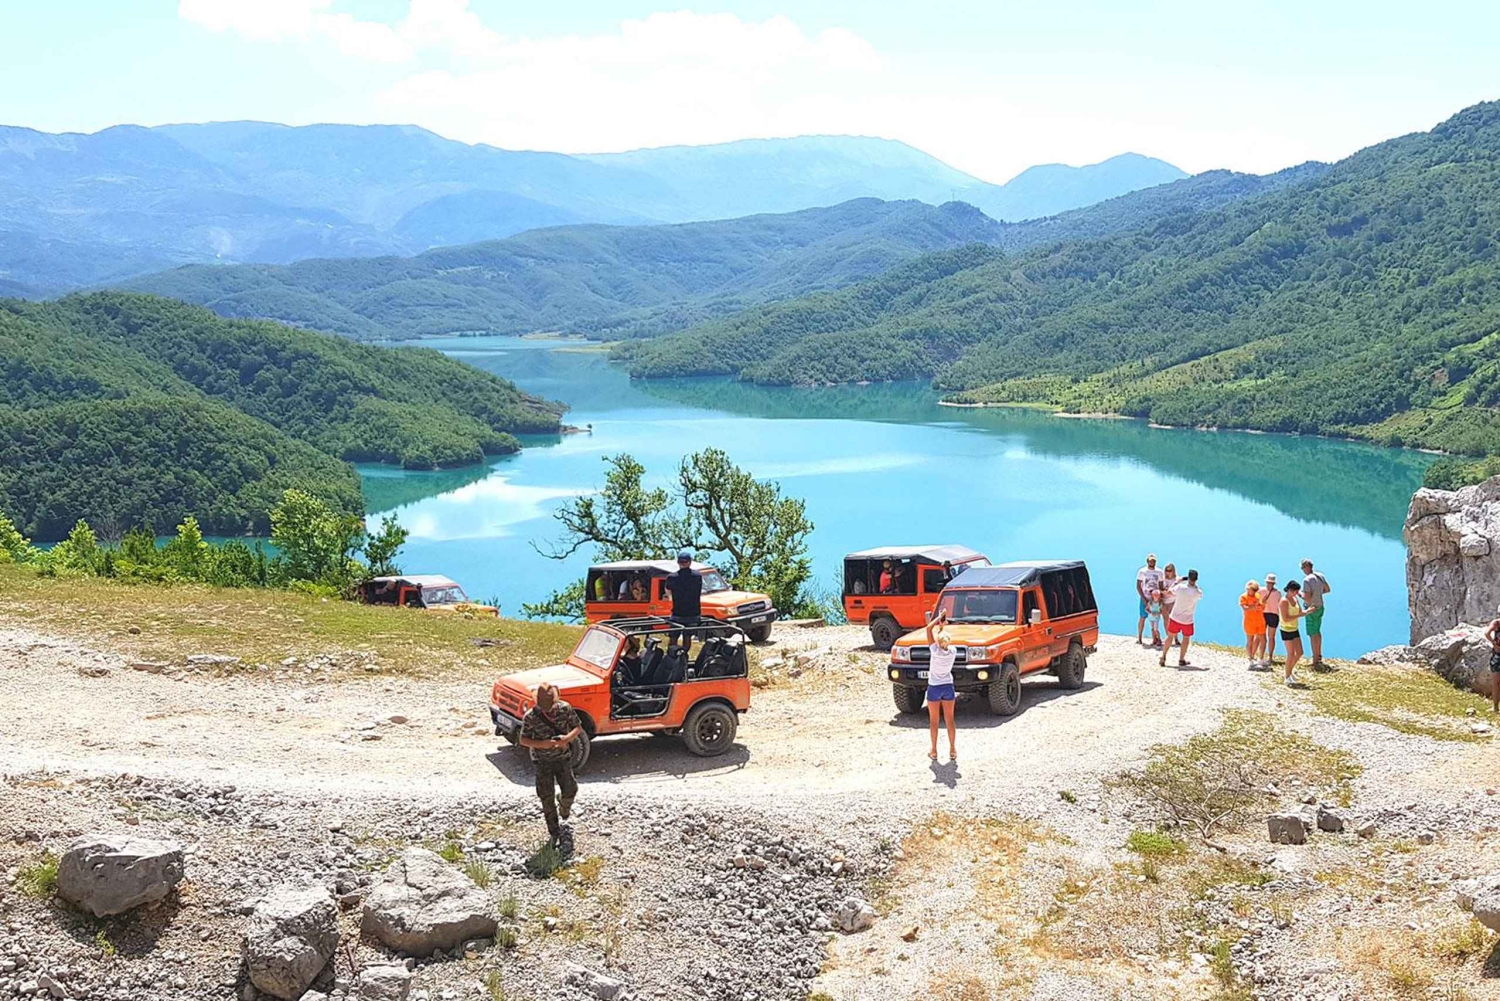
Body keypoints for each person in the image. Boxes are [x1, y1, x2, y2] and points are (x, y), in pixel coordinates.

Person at [519, 683, 583, 844]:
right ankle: (554, 832)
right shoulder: (530, 717)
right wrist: (543, 744)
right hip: (542, 761)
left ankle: (564, 805)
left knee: (571, 789)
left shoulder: (565, 709)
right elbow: (523, 739)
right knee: (546, 797)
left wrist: (566, 739)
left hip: (563, 757)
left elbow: (577, 727)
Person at [924, 608, 958, 762]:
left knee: (934, 721)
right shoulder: (952, 651)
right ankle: (952, 749)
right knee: (950, 720)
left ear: (938, 642)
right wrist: (942, 626)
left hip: (934, 687)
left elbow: (928, 628)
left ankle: (934, 750)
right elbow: (943, 641)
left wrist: (938, 618)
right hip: (948, 686)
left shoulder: (934, 651)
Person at [1159, 569, 1203, 668]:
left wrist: (1177, 581)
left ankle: (1163, 657)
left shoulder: (1180, 587)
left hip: (1175, 617)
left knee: (1170, 637)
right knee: (1186, 639)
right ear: (1196, 579)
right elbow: (1198, 595)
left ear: (1188, 577)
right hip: (1187, 620)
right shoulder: (1198, 592)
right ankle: (1181, 659)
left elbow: (1169, 592)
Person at [1300, 559, 1332, 670]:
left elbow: (1307, 597)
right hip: (1320, 607)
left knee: (1312, 633)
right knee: (1317, 632)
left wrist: (1300, 594)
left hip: (1311, 609)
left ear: (1305, 567)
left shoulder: (1307, 580)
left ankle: (1315, 660)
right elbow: (1327, 589)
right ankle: (1318, 656)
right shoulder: (1320, 576)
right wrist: (1317, 594)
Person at [1278, 580, 1311, 685]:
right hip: (1286, 629)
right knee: (1291, 654)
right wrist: (1300, 615)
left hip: (1294, 629)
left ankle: (1289, 671)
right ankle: (1287, 677)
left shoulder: (1295, 599)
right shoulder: (1283, 601)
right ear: (1290, 590)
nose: (1297, 593)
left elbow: (1300, 612)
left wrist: (1308, 611)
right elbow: (1286, 618)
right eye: (1295, 591)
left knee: (1300, 652)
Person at [664, 551, 702, 625]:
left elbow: (667, 589)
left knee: (673, 635)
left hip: (677, 613)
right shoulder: (697, 576)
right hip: (694, 613)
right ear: (690, 562)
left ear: (678, 562)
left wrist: (670, 597)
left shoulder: (672, 577)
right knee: (689, 635)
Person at [1135, 554, 1163, 646]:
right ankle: (1139, 638)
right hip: (1145, 597)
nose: (1152, 562)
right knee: (1143, 617)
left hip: (1155, 599)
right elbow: (1138, 586)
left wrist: (1160, 599)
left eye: (1154, 561)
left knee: (1155, 619)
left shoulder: (1159, 572)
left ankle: (1156, 639)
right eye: (1150, 561)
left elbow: (1161, 586)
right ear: (1147, 561)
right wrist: (1144, 599)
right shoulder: (1142, 571)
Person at [1239, 580, 1265, 668]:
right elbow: (1245, 608)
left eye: (1255, 590)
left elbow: (1262, 606)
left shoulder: (1258, 596)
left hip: (1260, 620)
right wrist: (1253, 606)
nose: (1254, 592)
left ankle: (1261, 659)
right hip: (1249, 622)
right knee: (1250, 640)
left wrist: (1259, 606)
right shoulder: (1243, 597)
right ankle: (1250, 659)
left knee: (1263, 640)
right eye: (1252, 590)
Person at [1260, 574, 1282, 667]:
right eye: (1269, 582)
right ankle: (1261, 656)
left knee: (1271, 637)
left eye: (1271, 583)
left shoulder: (1278, 593)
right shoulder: (1261, 591)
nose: (1269, 584)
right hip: (1264, 613)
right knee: (1261, 636)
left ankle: (1270, 657)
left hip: (1273, 615)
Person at [1485, 607, 1500, 714]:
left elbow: (1487, 633)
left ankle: (1495, 708)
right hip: (1497, 655)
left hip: (1497, 655)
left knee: (1496, 683)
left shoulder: (1496, 623)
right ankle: (1495, 707)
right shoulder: (1496, 623)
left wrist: (1494, 644)